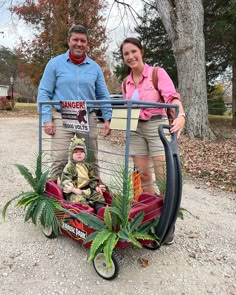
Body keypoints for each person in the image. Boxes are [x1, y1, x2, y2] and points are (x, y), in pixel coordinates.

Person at [120, 37, 186, 244]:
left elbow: (172, 98)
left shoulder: (157, 74)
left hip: (156, 125)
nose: (130, 57)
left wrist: (181, 115)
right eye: (126, 54)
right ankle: (150, 217)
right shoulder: (125, 83)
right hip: (135, 129)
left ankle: (168, 223)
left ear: (141, 51)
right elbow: (125, 108)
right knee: (143, 175)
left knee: (163, 176)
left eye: (133, 51)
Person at [37, 24, 112, 178]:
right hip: (62, 116)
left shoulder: (95, 68)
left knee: (90, 159)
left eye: (83, 41)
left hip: (87, 117)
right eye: (75, 40)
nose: (79, 44)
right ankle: (55, 197)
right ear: (69, 41)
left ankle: (94, 195)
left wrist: (107, 118)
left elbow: (103, 95)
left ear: (87, 44)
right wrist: (46, 119)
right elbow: (44, 92)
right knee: (60, 159)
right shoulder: (54, 64)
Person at [61, 136, 105, 211]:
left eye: (81, 152)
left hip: (87, 189)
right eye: (76, 152)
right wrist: (73, 189)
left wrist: (96, 186)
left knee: (98, 195)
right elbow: (66, 180)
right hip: (74, 191)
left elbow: (93, 178)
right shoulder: (69, 167)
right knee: (78, 200)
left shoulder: (87, 166)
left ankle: (100, 210)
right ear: (71, 154)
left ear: (85, 153)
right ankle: (88, 212)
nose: (79, 154)